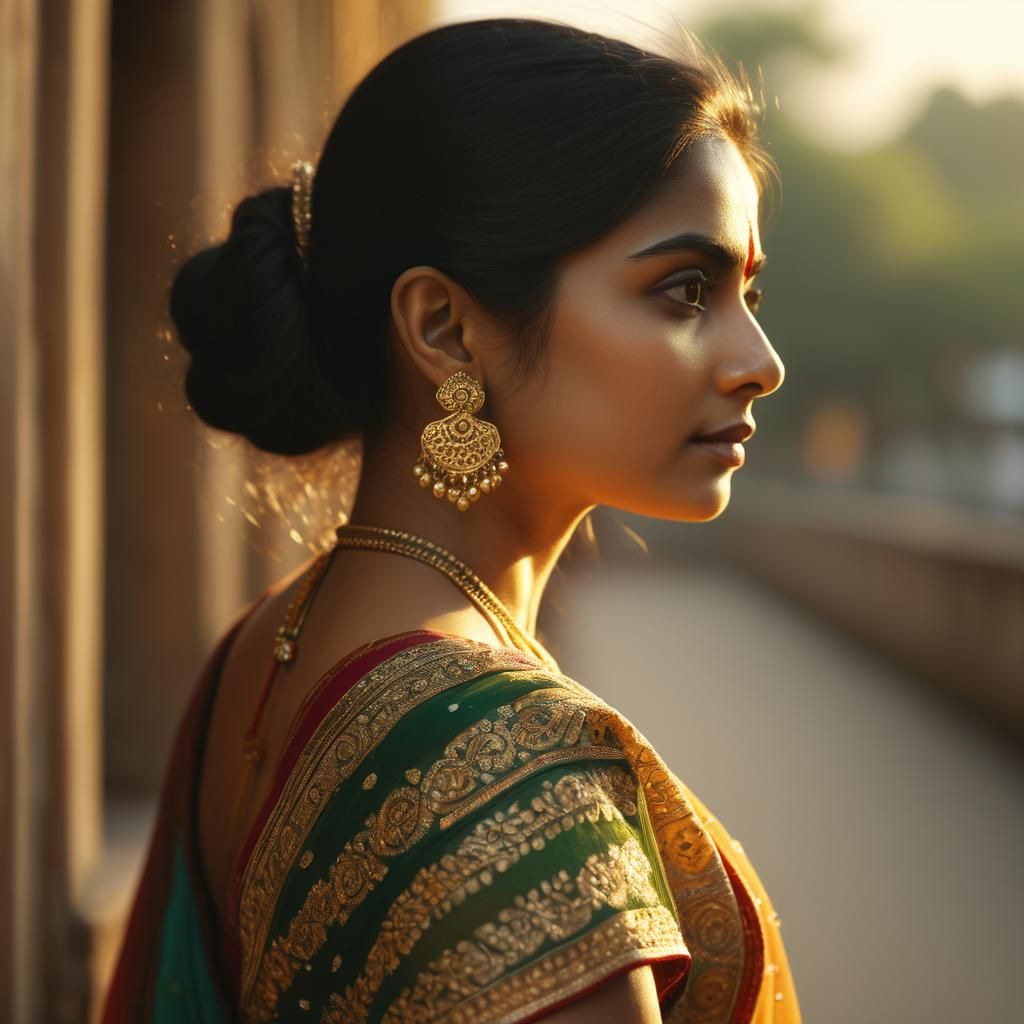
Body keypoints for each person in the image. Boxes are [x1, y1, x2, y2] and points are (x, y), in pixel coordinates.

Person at [101, 16, 801, 1023]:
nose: (759, 361)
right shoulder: (501, 766)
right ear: (444, 329)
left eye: (748, 289)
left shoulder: (261, 654)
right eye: (683, 290)